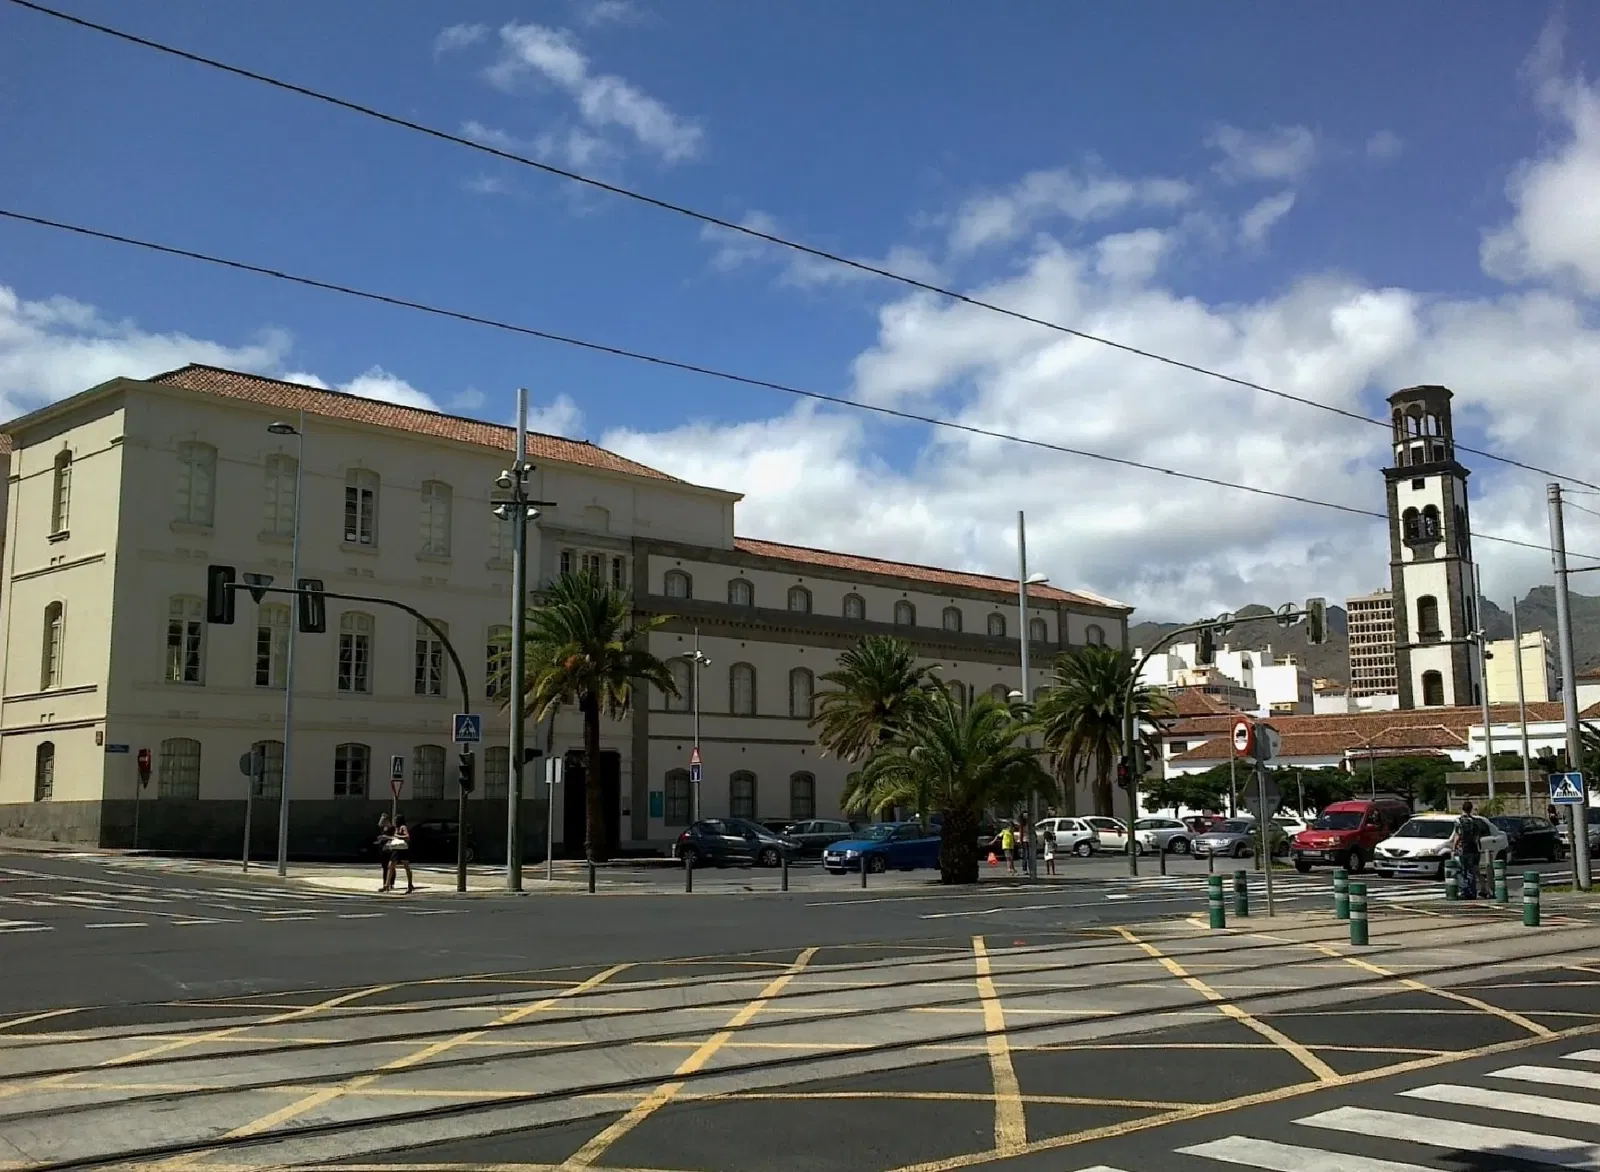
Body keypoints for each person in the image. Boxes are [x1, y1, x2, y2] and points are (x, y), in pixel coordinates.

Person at [1448, 800, 1484, 900]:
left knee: (1462, 871)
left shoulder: (1459, 821)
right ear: (1471, 809)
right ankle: (1472, 892)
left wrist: (1454, 848)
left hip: (1463, 849)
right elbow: (1477, 836)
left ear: (1462, 809)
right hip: (1473, 848)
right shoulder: (1475, 821)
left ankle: (1465, 891)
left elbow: (1458, 836)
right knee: (1471, 871)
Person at [386, 815, 415, 894]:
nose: (394, 821)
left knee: (406, 867)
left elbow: (407, 836)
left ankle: (409, 884)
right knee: (390, 866)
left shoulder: (403, 827)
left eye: (396, 819)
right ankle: (387, 885)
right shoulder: (396, 828)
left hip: (402, 849)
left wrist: (397, 836)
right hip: (396, 849)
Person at [375, 813, 395, 892]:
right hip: (384, 848)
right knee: (384, 866)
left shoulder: (392, 828)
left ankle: (391, 883)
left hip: (390, 848)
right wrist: (380, 840)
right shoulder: (383, 828)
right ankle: (385, 882)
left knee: (390, 866)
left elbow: (395, 837)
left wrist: (386, 837)